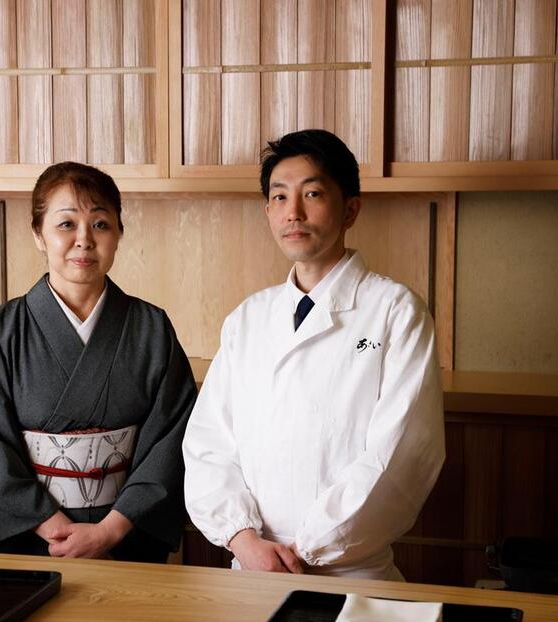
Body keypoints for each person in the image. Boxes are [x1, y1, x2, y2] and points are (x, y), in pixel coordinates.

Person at [182, 129, 445, 580]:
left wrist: (311, 546)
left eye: (313, 193)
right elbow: (208, 444)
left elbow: (401, 454)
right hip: (251, 563)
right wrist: (245, 540)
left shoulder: (395, 311)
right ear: (268, 210)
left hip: (350, 566)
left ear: (351, 209)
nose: (294, 213)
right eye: (279, 197)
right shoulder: (248, 318)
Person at [0, 161, 197, 563]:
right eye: (66, 224)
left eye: (100, 224)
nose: (84, 239)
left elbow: (172, 440)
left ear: (119, 233)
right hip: (32, 537)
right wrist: (55, 528)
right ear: (38, 234)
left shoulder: (151, 328)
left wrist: (110, 530)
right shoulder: (0, 331)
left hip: (125, 535)